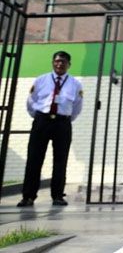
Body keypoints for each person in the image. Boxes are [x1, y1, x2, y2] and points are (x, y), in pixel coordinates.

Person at [17, 51, 83, 207]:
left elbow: (77, 107)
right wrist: (40, 117)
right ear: (53, 63)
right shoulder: (41, 80)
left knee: (61, 160)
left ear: (69, 65)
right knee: (34, 158)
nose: (60, 64)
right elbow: (31, 102)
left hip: (62, 123)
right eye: (57, 61)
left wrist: (64, 118)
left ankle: (58, 196)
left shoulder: (75, 84)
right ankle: (28, 196)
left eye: (64, 62)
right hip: (42, 121)